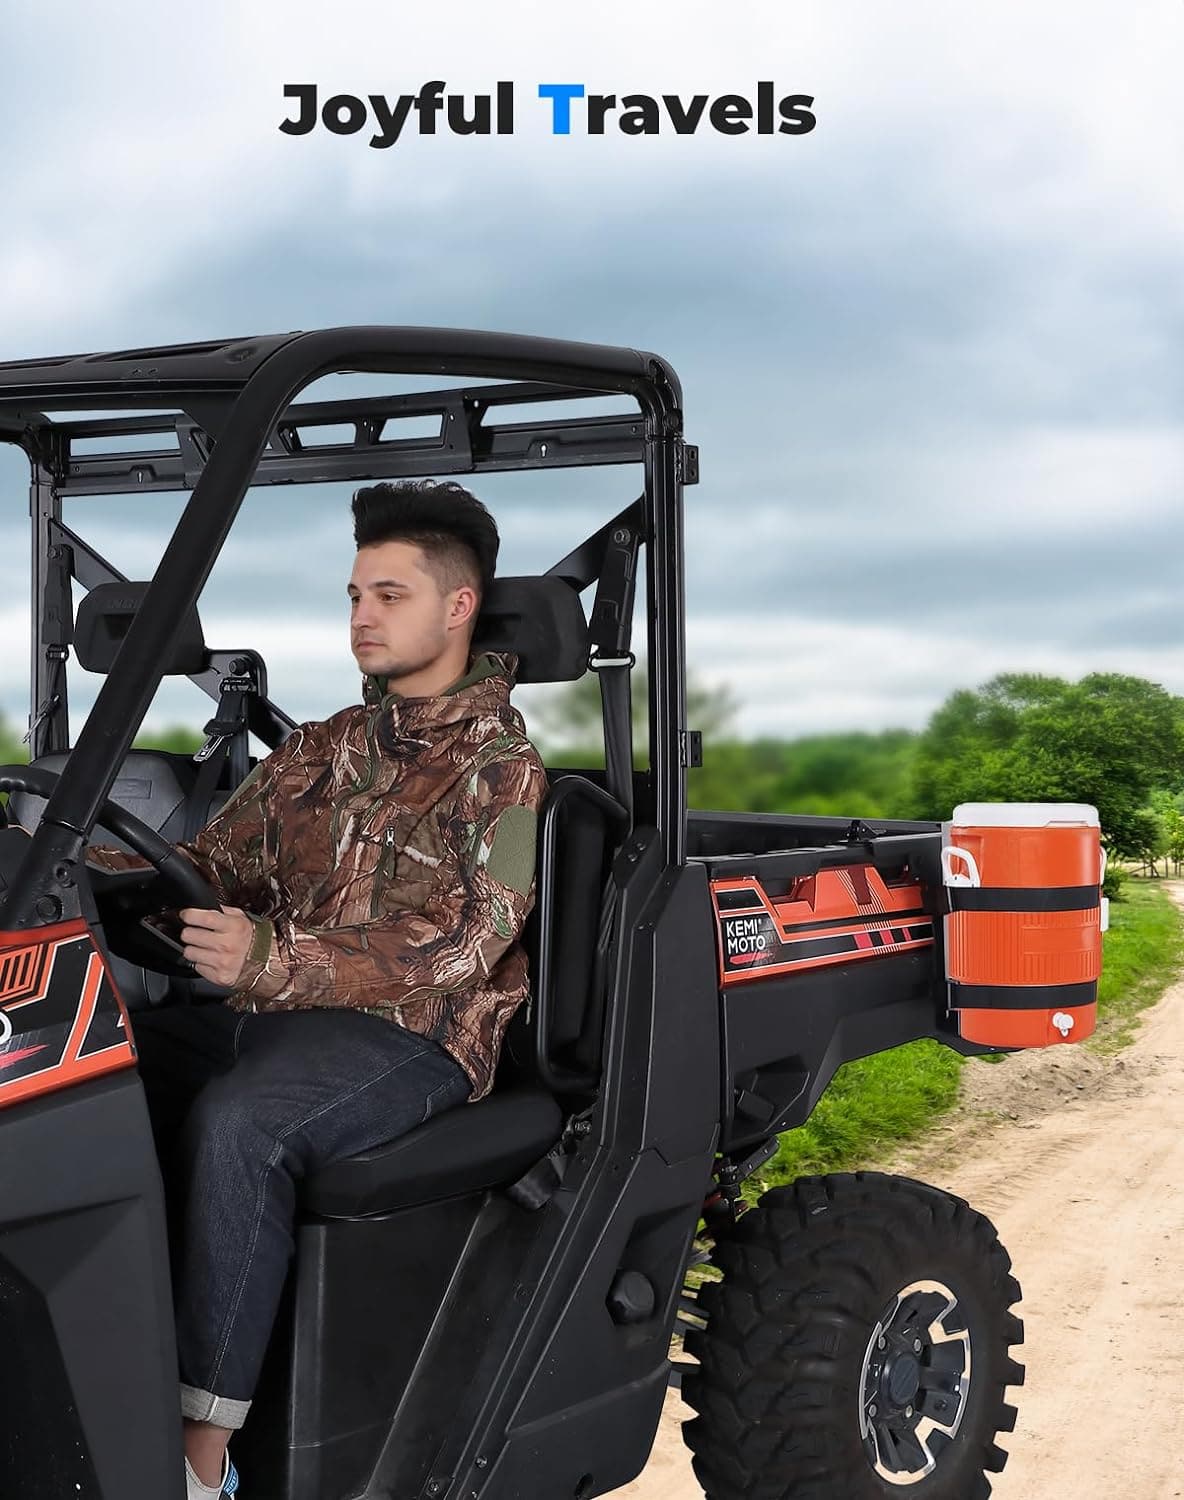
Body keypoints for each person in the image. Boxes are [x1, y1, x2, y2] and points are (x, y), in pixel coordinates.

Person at [89, 480, 549, 1500]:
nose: (359, 618)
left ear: (457, 606)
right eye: (352, 595)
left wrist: (273, 961)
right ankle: (90, 1375)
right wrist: (66, 869)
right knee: (88, 1077)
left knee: (240, 1128)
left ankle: (198, 1462)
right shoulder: (321, 747)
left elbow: (471, 941)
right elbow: (211, 863)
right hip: (276, 1015)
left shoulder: (500, 769)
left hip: (416, 1037)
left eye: (387, 594)